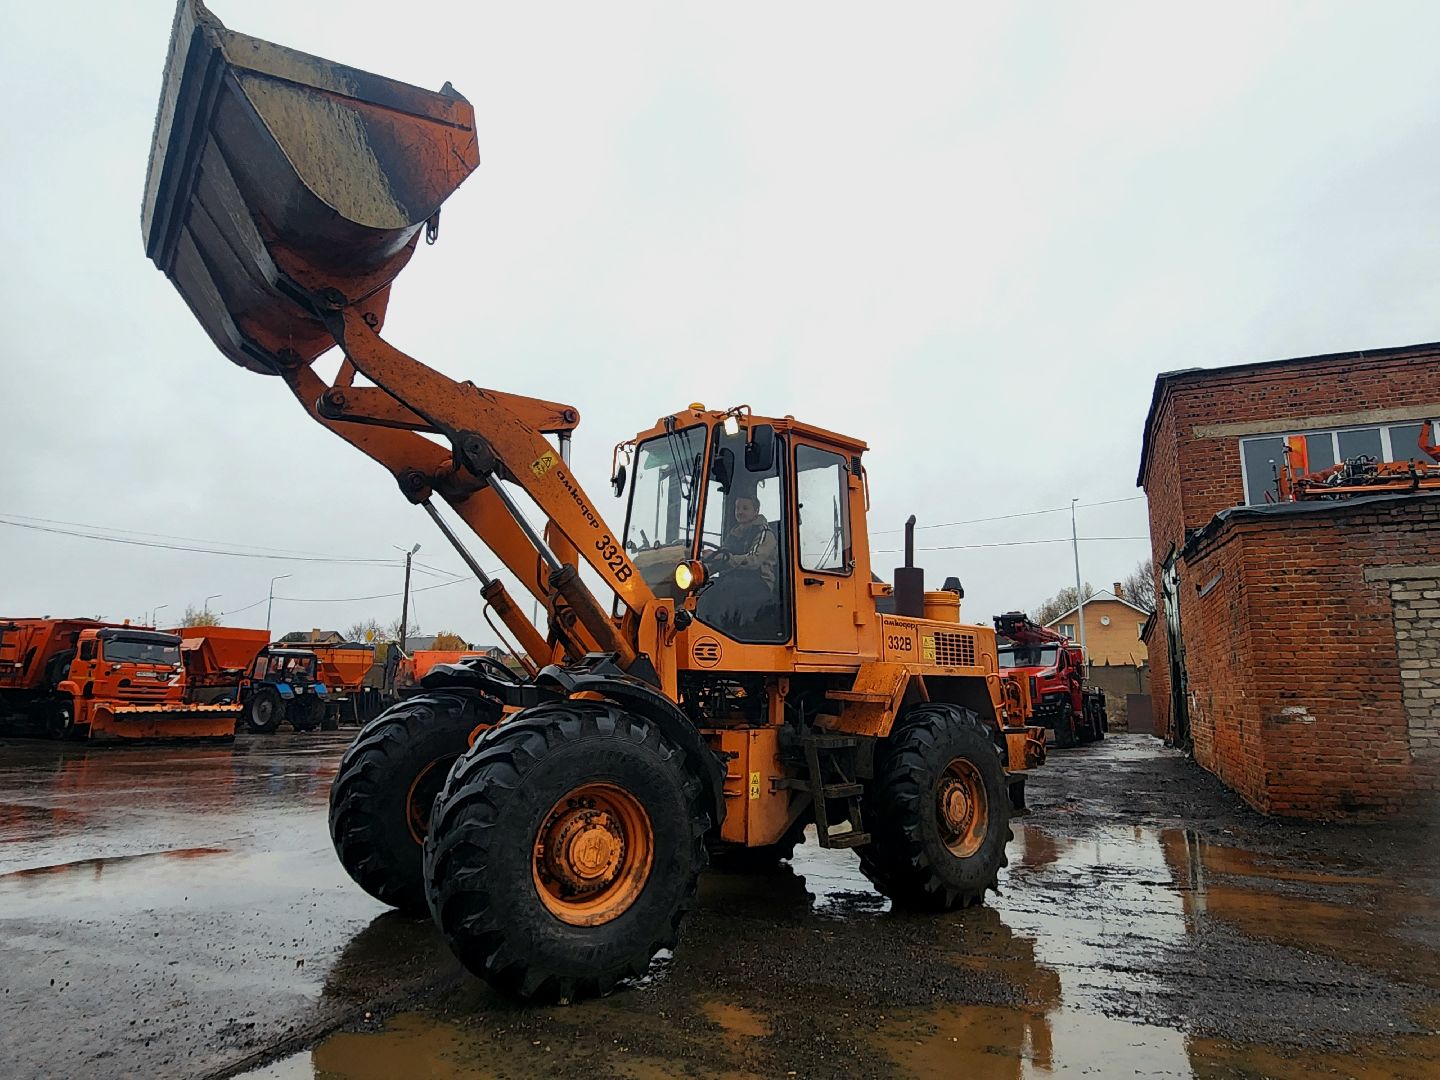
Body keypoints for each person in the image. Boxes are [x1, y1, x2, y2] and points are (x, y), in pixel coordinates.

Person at [709, 495, 778, 589]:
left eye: (745, 508)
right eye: (737, 508)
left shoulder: (764, 533)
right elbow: (724, 553)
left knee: (726, 591)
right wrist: (709, 561)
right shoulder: (733, 533)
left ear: (756, 512)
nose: (740, 512)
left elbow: (754, 561)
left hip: (759, 584)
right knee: (706, 589)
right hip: (734, 580)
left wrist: (726, 559)